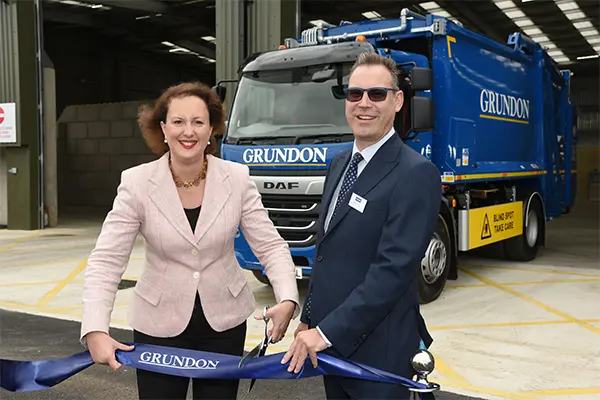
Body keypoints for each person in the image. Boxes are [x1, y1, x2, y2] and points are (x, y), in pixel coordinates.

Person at [80, 82, 300, 400]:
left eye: (198, 122)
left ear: (212, 128)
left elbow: (269, 245)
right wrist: (95, 329)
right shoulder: (136, 183)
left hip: (224, 325)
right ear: (163, 128)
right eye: (179, 122)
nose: (189, 131)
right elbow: (107, 260)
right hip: (158, 328)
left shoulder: (237, 178)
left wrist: (287, 298)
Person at [281, 53, 441, 399]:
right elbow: (327, 252)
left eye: (377, 94)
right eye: (355, 94)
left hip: (377, 357)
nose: (364, 104)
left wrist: (325, 333)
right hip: (331, 348)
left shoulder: (415, 174)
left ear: (397, 101)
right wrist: (310, 317)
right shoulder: (340, 163)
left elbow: (392, 272)